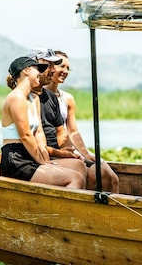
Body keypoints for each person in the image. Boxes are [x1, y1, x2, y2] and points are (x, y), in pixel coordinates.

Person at [0, 56, 86, 189]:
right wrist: (42, 163)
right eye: (37, 69)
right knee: (75, 178)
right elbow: (26, 136)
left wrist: (45, 159)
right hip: (16, 159)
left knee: (78, 165)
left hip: (32, 155)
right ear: (26, 71)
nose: (41, 74)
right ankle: (61, 209)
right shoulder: (16, 98)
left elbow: (39, 133)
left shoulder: (34, 98)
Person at [45, 50, 119, 193]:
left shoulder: (67, 98)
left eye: (68, 68)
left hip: (69, 146)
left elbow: (73, 131)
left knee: (110, 175)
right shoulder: (40, 97)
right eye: (62, 66)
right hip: (53, 149)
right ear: (51, 68)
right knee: (93, 176)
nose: (65, 71)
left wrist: (85, 153)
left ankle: (115, 211)